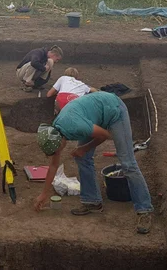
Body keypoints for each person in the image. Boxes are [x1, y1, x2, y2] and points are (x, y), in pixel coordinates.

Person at [33, 91, 154, 234]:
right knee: (82, 157)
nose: (57, 154)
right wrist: (44, 194)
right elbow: (53, 165)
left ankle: (144, 210)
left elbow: (105, 135)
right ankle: (92, 202)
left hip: (114, 110)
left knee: (128, 163)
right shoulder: (54, 133)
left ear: (59, 142)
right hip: (93, 116)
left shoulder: (76, 127)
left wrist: (85, 148)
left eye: (56, 151)